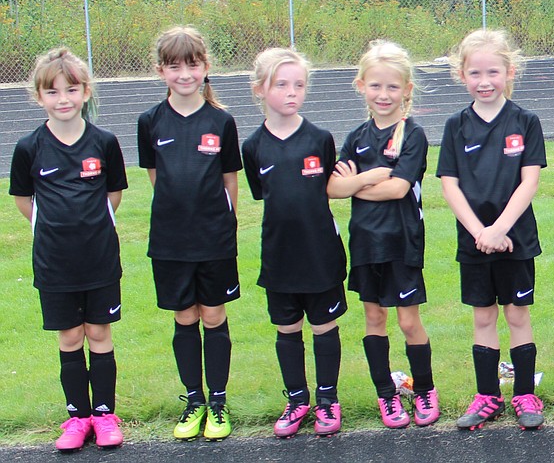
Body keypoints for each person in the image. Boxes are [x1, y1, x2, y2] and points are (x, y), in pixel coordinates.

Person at [10, 48, 127, 451]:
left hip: (99, 259)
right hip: (55, 264)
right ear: (39, 96)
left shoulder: (104, 142)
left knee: (98, 333)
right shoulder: (29, 148)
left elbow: (114, 194)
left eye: (72, 89)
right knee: (70, 337)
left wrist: (89, 227)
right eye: (53, 91)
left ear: (85, 92)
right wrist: (55, 230)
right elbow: (25, 201)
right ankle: (77, 417)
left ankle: (105, 414)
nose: (63, 99)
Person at [437, 29, 547, 431]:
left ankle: (523, 394)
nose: (485, 82)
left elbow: (529, 181)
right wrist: (480, 232)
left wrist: (500, 228)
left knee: (518, 316)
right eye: (475, 73)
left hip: (515, 240)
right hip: (474, 242)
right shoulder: (455, 126)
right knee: (483, 318)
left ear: (509, 71)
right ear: (461, 75)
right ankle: (487, 395)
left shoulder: (526, 121)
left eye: (493, 72)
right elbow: (449, 184)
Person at [327, 40, 439, 428]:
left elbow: (399, 189)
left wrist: (357, 183)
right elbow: (333, 188)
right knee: (374, 318)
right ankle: (386, 397)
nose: (384, 94)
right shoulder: (356, 138)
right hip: (364, 242)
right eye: (375, 86)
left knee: (408, 323)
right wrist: (370, 177)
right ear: (361, 86)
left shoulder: (413, 135)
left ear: (406, 89)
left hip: (402, 241)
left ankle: (424, 390)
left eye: (392, 87)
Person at [137, 26, 240, 440]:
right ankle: (193, 400)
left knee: (213, 315)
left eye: (192, 65)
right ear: (161, 70)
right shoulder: (150, 121)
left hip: (214, 239)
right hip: (170, 241)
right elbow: (156, 177)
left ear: (205, 68)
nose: (184, 74)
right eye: (175, 66)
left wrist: (221, 224)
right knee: (184, 317)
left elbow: (230, 180)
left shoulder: (221, 121)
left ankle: (217, 402)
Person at [241, 48, 349, 437]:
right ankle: (297, 400)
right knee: (287, 329)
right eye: (281, 84)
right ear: (260, 89)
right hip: (280, 257)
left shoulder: (320, 139)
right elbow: (261, 193)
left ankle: (327, 400)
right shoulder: (252, 147)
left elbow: (327, 190)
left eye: (299, 85)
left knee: (323, 326)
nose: (292, 92)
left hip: (320, 254)